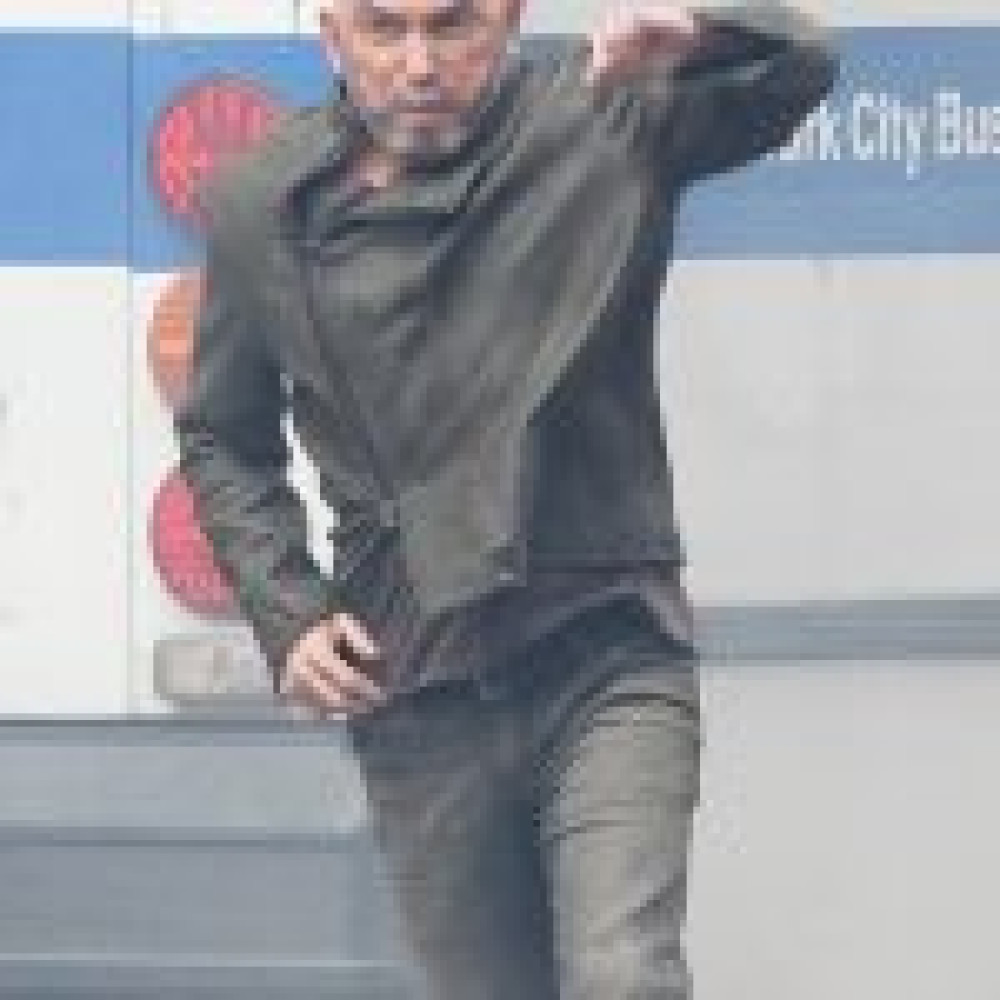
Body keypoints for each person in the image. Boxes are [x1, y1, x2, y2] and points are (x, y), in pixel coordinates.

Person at [173, 2, 839, 997]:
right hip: (414, 684)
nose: (419, 64)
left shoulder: (604, 112)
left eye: (454, 27)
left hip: (605, 646)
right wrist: (290, 612)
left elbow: (803, 68)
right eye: (383, 29)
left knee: (624, 973)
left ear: (510, 18)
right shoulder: (258, 201)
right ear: (329, 32)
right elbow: (224, 435)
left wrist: (706, 36)